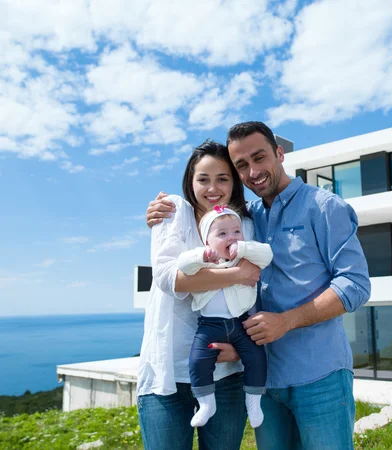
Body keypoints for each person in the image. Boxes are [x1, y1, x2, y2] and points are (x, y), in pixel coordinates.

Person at [146, 122, 371, 450]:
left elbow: (355, 285)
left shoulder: (325, 206)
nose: (253, 171)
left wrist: (287, 321)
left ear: (279, 154)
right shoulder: (242, 219)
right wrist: (159, 212)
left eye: (259, 157)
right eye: (241, 166)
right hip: (263, 382)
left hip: (319, 376)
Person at [137, 140, 262, 450]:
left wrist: (239, 351)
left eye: (223, 178)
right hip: (166, 372)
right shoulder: (174, 210)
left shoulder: (243, 225)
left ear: (234, 183)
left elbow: (250, 293)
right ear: (190, 181)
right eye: (203, 179)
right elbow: (168, 279)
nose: (213, 188)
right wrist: (235, 274)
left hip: (225, 372)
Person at [177, 205, 273, 428]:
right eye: (222, 234)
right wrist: (202, 255)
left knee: (257, 358)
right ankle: (206, 403)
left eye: (236, 231)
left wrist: (242, 248)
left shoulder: (245, 258)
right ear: (207, 241)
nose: (231, 237)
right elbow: (182, 264)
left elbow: (267, 253)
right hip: (209, 325)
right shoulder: (202, 264)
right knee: (198, 361)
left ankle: (254, 401)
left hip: (240, 323)